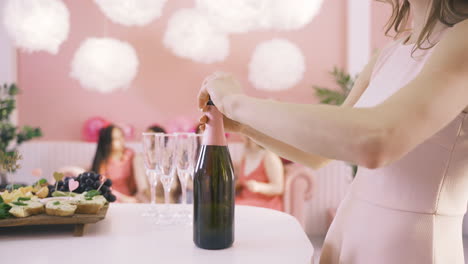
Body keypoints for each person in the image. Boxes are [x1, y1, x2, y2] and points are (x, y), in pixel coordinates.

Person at [198, 1, 468, 262]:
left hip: (409, 248)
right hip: (347, 234)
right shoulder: (390, 52)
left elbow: (376, 140)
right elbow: (319, 153)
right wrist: (244, 125)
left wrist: (236, 102)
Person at [133, 125, 181, 203]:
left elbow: (173, 185)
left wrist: (165, 201)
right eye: (148, 137)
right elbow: (142, 188)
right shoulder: (139, 158)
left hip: (168, 199)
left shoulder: (170, 156)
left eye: (153, 137)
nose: (151, 140)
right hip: (146, 200)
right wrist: (156, 202)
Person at [91, 125, 139, 203]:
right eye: (116, 139)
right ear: (107, 142)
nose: (121, 140)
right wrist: (123, 198)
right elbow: (102, 188)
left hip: (132, 198)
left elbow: (135, 181)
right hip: (113, 199)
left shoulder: (129, 154)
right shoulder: (104, 162)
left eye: (122, 136)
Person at [235, 136, 284, 211]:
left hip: (265, 203)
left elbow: (278, 188)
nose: (242, 138)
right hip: (244, 199)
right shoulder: (245, 155)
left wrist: (259, 187)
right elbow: (242, 181)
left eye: (245, 136)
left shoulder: (269, 157)